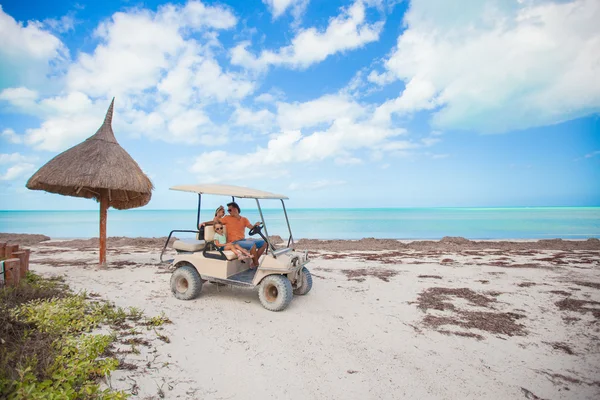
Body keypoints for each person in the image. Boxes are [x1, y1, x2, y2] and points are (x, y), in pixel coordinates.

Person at [217, 201, 266, 268]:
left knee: (264, 243)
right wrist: (204, 223)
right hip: (234, 242)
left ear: (236, 209)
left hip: (242, 240)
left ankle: (254, 262)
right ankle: (257, 265)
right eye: (228, 210)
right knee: (252, 245)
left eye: (230, 210)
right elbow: (215, 222)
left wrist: (255, 225)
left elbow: (251, 228)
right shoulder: (227, 218)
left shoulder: (244, 219)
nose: (228, 211)